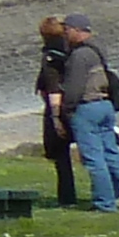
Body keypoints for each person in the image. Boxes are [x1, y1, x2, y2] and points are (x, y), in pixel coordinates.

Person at [58, 16, 119, 211]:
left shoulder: (80, 55)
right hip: (105, 105)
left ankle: (105, 203)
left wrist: (66, 111)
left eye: (66, 30)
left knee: (94, 159)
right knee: (112, 154)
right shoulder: (98, 49)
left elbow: (74, 87)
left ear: (77, 30)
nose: (64, 34)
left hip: (87, 107)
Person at [35, 16, 81, 207]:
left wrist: (55, 117)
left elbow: (53, 88)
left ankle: (67, 197)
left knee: (61, 157)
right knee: (97, 150)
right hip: (79, 103)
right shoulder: (72, 52)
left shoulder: (51, 57)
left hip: (60, 108)